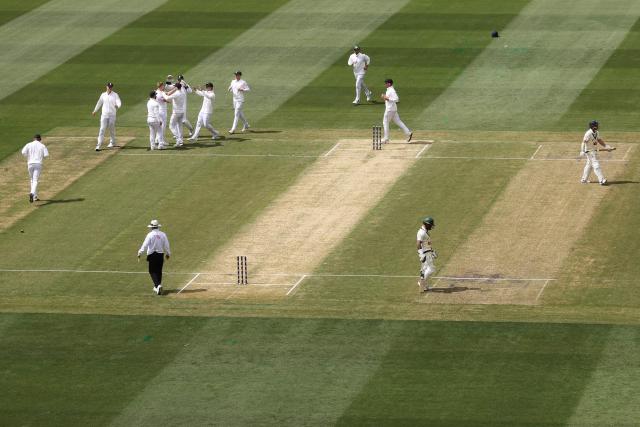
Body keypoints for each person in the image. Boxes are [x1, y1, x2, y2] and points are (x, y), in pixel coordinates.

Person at [137, 219, 171, 295]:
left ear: (152, 227)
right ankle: (158, 286)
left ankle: (157, 285)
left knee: (152, 271)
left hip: (152, 255)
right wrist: (168, 253)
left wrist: (140, 252)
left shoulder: (150, 235)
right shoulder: (163, 234)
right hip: (160, 255)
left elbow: (145, 245)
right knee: (159, 271)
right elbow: (166, 245)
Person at [92, 82, 122, 151]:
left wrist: (117, 105)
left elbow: (119, 102)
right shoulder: (103, 95)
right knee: (102, 129)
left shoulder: (115, 95)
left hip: (112, 115)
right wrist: (95, 111)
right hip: (104, 115)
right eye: (109, 87)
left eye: (111, 87)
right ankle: (98, 145)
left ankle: (112, 142)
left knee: (111, 128)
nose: (110, 88)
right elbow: (99, 103)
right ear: (106, 87)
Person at [381, 78, 412, 143]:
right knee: (398, 121)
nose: (385, 84)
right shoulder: (389, 90)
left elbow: (396, 99)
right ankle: (408, 133)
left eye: (386, 83)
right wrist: (385, 98)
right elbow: (389, 99)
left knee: (385, 122)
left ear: (389, 84)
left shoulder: (391, 90)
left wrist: (387, 98)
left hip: (390, 109)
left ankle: (386, 138)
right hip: (393, 109)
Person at [581, 120, 611, 185]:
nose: (598, 126)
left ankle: (584, 179)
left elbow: (599, 140)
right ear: (593, 127)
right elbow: (584, 142)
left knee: (589, 165)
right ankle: (601, 180)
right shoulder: (588, 133)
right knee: (596, 165)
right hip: (589, 151)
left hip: (594, 150)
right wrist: (582, 150)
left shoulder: (597, 132)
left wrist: (606, 146)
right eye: (597, 125)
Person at [21, 134, 49, 203]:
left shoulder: (28, 144)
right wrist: (40, 157)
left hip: (30, 163)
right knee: (35, 180)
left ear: (34, 138)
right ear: (40, 139)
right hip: (38, 164)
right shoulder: (42, 146)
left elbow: (23, 152)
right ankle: (32, 193)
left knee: (32, 179)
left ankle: (34, 197)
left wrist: (28, 157)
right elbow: (46, 155)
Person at [162, 83, 187, 147]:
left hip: (176, 112)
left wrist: (162, 93)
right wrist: (166, 93)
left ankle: (178, 139)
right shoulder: (183, 93)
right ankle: (181, 141)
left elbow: (167, 98)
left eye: (174, 87)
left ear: (176, 87)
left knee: (171, 126)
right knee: (180, 126)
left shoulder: (176, 93)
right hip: (182, 112)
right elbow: (169, 94)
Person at [416, 217, 437, 292]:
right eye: (431, 225)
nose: (432, 226)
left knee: (425, 270)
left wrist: (432, 251)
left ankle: (424, 284)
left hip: (428, 252)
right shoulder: (421, 232)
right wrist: (421, 255)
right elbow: (418, 244)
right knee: (431, 269)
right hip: (425, 254)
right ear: (427, 224)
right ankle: (421, 282)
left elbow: (427, 243)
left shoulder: (425, 231)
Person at [154, 82, 169, 148]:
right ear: (160, 86)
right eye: (163, 86)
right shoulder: (160, 94)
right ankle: (162, 141)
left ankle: (157, 139)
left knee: (159, 127)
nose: (164, 87)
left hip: (159, 111)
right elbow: (167, 100)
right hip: (162, 112)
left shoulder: (156, 92)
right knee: (163, 127)